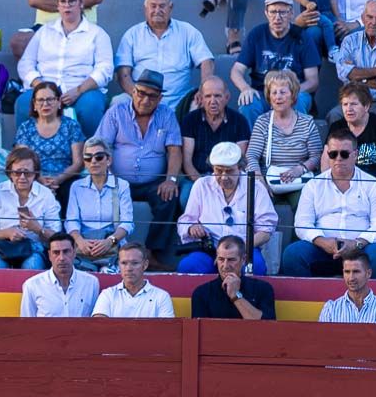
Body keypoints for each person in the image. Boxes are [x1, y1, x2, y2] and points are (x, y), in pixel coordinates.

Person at [282, 128, 376, 278]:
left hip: (361, 250)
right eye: (333, 154)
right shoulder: (314, 185)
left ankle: (372, 301)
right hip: (322, 250)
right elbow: (302, 224)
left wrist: (357, 243)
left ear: (355, 154)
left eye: (344, 154)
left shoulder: (372, 185)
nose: (338, 158)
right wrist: (323, 242)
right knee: (293, 254)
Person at [95, 69, 182, 262]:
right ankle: (111, 254)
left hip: (153, 182)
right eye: (141, 93)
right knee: (108, 198)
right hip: (118, 179)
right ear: (133, 91)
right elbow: (101, 146)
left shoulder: (167, 115)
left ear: (159, 98)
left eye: (152, 96)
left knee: (169, 198)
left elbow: (175, 150)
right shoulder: (116, 113)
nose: (145, 100)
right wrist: (106, 178)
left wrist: (171, 179)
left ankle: (153, 255)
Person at [16, 0, 113, 137]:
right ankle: (25, 153)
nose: (67, 6)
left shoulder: (97, 33)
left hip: (83, 90)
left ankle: (90, 153)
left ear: (81, 4)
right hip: (45, 88)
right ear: (58, 6)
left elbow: (105, 68)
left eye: (72, 1)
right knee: (24, 102)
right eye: (63, 1)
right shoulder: (44, 32)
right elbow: (25, 64)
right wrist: (41, 87)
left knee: (91, 106)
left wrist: (79, 90)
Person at [177, 141, 278, 274]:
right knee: (188, 266)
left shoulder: (256, 187)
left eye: (229, 171)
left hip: (243, 250)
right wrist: (192, 228)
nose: (224, 177)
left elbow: (265, 231)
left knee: (256, 267)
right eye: (219, 171)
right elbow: (186, 221)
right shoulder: (202, 185)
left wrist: (238, 249)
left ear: (240, 167)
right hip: (209, 250)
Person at [114, 0, 214, 112]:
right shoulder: (132, 35)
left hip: (179, 99)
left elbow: (207, 61)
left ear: (170, 8)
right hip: (141, 97)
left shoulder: (188, 31)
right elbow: (123, 74)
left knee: (202, 104)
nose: (157, 10)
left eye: (162, 6)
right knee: (118, 103)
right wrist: (138, 96)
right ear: (145, 8)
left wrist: (204, 88)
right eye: (153, 6)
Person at [231, 0, 319, 127]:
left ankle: (295, 145)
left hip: (294, 91)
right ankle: (254, 145)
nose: (277, 17)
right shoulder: (256, 35)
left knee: (298, 99)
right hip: (263, 92)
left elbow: (313, 81)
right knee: (248, 103)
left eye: (282, 12)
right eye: (273, 12)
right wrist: (245, 88)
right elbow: (236, 71)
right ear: (266, 13)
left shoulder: (302, 37)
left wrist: (286, 93)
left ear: (291, 13)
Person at [244, 69, 321, 208]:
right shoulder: (262, 122)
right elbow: (251, 156)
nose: (278, 97)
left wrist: (300, 169)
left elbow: (316, 155)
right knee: (256, 206)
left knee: (304, 206)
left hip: (298, 180)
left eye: (283, 92)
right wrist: (260, 181)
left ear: (293, 96)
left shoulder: (307, 122)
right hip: (267, 180)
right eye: (274, 93)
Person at [0, 146, 62, 269]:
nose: (22, 177)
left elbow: (56, 237)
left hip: (33, 248)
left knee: (32, 265)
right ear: (10, 173)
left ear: (35, 174)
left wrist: (37, 229)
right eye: (17, 172)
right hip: (1, 246)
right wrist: (7, 233)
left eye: (27, 173)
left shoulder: (46, 195)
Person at [180, 77, 251, 208]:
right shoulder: (190, 120)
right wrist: (202, 183)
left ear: (227, 97)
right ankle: (194, 227)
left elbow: (240, 160)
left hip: (229, 177)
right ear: (200, 98)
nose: (213, 101)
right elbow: (187, 163)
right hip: (197, 177)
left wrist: (222, 181)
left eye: (218, 96)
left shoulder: (239, 121)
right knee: (186, 197)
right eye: (208, 96)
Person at [66, 136, 133, 272]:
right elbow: (71, 221)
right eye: (88, 158)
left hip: (112, 244)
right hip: (84, 246)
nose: (93, 161)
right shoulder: (77, 186)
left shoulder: (121, 185)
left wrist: (110, 241)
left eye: (99, 157)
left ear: (109, 160)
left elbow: (127, 223)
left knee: (111, 273)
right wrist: (80, 241)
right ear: (84, 162)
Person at [15, 81, 84, 210]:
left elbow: (78, 163)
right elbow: (22, 162)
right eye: (40, 100)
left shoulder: (71, 126)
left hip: (65, 178)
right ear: (34, 105)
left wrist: (58, 179)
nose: (45, 104)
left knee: (71, 190)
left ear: (59, 102)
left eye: (50, 99)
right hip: (33, 177)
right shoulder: (26, 128)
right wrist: (39, 178)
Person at [332, 0, 376, 134]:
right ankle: (341, 154)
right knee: (334, 115)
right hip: (353, 101)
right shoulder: (349, 41)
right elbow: (343, 74)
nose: (373, 22)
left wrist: (357, 78)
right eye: (369, 17)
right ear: (362, 17)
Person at [323, 83, 376, 201]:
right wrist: (328, 186)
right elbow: (326, 158)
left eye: (354, 104)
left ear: (366, 106)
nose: (349, 109)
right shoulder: (337, 126)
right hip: (347, 185)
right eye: (345, 104)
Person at [190, 235, 276, 319]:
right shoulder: (201, 293)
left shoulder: (262, 289)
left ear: (243, 260)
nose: (225, 265)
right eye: (221, 259)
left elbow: (266, 328)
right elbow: (199, 330)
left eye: (231, 260)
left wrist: (236, 296)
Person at [20, 231, 99, 317]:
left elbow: (93, 323)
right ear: (49, 255)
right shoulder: (32, 285)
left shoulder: (91, 283)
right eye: (56, 252)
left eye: (66, 252)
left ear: (74, 253)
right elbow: (27, 324)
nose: (61, 258)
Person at [92, 242, 176, 318]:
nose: (128, 268)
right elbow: (99, 327)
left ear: (145, 265)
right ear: (119, 265)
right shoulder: (107, 294)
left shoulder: (161, 296)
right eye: (124, 263)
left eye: (135, 263)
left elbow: (166, 332)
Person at [10, 0, 102, 61]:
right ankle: (36, 84)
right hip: (44, 25)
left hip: (81, 24)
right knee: (19, 42)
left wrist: (58, 2)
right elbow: (35, 0)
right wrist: (70, 4)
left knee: (96, 42)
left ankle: (79, 84)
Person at [318, 248, 376, 321]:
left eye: (356, 272)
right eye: (347, 272)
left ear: (368, 273)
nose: (351, 278)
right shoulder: (330, 309)